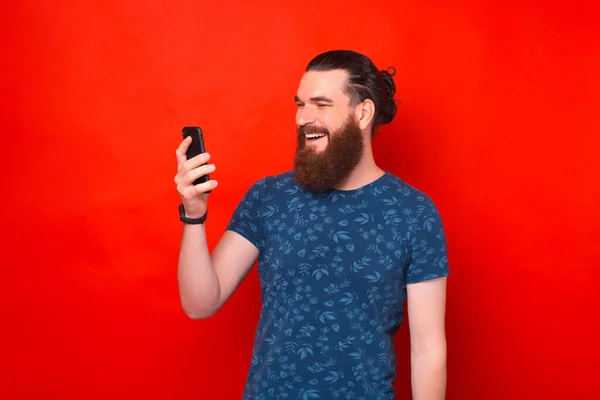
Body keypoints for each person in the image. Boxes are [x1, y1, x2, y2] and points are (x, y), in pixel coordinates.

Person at [174, 50, 449, 400]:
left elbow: (428, 351)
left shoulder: (414, 213)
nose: (303, 118)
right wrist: (194, 213)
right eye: (300, 104)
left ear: (362, 113)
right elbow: (200, 304)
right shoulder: (269, 197)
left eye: (321, 104)